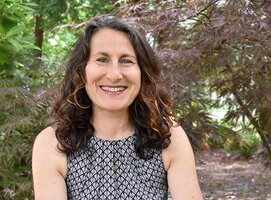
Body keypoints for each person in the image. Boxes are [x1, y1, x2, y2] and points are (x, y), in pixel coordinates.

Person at [32, 15, 203, 200]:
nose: (114, 75)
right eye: (102, 60)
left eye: (126, 61)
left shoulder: (168, 136)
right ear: (81, 71)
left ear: (143, 73)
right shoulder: (52, 143)